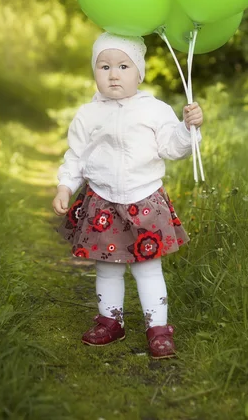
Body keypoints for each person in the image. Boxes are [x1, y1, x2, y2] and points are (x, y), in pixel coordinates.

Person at [52, 32, 203, 359]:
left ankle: (158, 329)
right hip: (102, 201)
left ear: (140, 72)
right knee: (107, 267)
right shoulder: (88, 115)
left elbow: (171, 147)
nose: (113, 74)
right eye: (104, 66)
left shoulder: (154, 110)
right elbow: (76, 156)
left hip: (144, 200)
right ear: (95, 73)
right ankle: (110, 320)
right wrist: (65, 184)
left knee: (148, 268)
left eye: (123, 65)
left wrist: (187, 129)